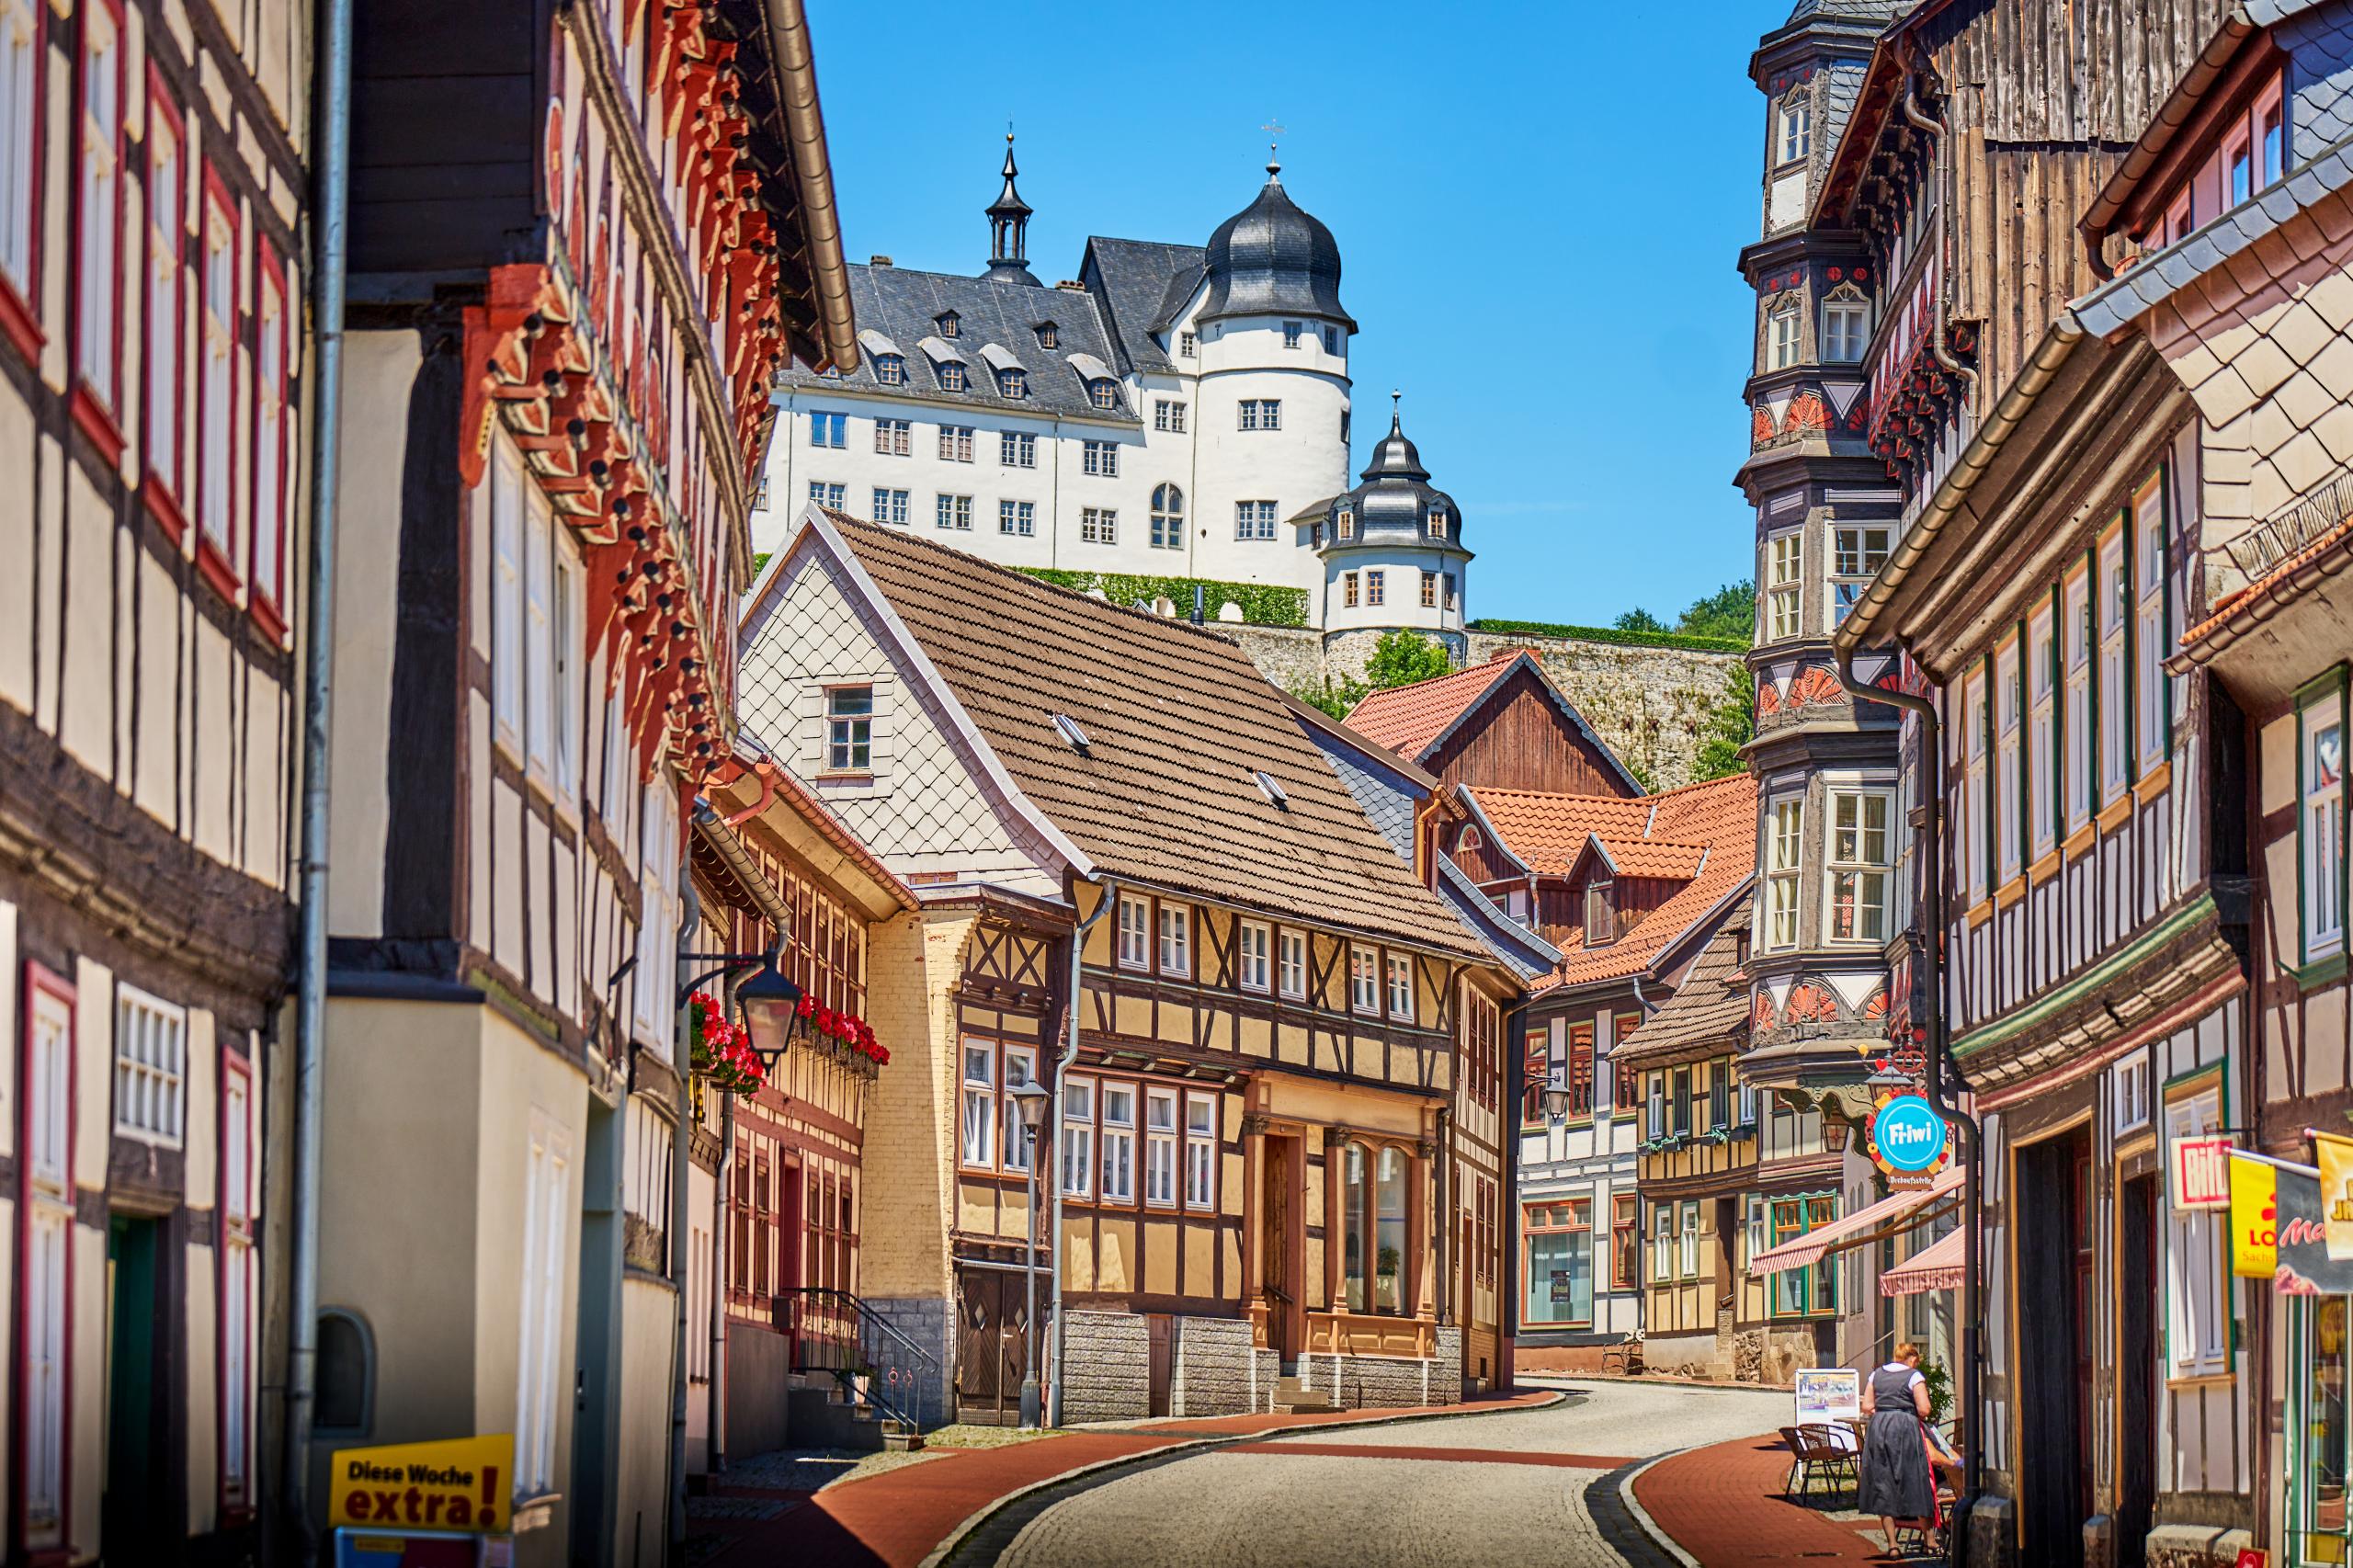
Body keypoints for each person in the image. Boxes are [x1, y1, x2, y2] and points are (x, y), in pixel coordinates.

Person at [1857, 1342, 1935, 1557]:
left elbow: (1866, 1406)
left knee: (1883, 1483)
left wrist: (1884, 1411)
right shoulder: (1914, 1376)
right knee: (1916, 1479)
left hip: (1880, 1428)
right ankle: (1929, 1541)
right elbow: (1925, 1408)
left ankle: (1892, 1545)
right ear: (1912, 1359)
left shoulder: (1876, 1375)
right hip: (1905, 1428)